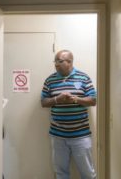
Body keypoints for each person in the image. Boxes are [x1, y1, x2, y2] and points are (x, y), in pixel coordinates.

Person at [41, 50, 97, 179]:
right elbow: (43, 102)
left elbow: (93, 100)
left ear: (70, 62)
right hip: (58, 135)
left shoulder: (83, 78)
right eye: (55, 61)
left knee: (88, 173)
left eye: (59, 61)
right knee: (61, 173)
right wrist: (57, 100)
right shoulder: (50, 80)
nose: (56, 64)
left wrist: (76, 99)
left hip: (81, 136)